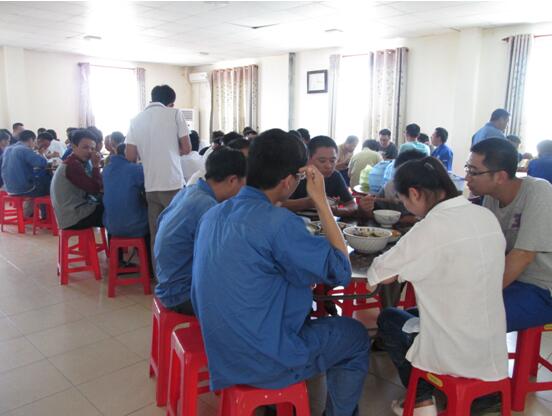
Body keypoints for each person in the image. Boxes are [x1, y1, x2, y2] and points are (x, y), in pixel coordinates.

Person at [191, 129, 370, 415]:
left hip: (220, 349)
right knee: (355, 335)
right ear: (288, 181)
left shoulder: (213, 214)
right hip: (262, 358)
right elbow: (340, 271)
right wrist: (321, 202)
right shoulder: (279, 223)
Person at [370, 156, 507, 416]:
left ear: (414, 193)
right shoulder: (485, 216)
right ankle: (485, 399)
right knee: (413, 313)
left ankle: (422, 403)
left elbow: (379, 273)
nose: (406, 207)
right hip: (490, 345)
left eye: (404, 200)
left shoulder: (430, 227)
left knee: (389, 319)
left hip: (455, 350)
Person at [466, 138, 552, 334]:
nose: (467, 177)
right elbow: (488, 248)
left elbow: (523, 255)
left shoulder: (539, 191)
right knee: (441, 311)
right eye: (467, 168)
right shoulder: (491, 198)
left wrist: (478, 294)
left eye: (474, 172)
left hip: (543, 289)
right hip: (514, 281)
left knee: (470, 318)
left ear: (500, 176)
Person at [155, 148, 246, 315]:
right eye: (244, 185)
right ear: (233, 180)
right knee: (255, 296)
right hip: (183, 295)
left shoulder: (191, 191)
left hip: (168, 284)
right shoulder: (208, 207)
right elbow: (221, 260)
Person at [125, 84, 191, 250]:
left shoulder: (135, 120)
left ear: (152, 99)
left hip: (151, 186)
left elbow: (130, 156)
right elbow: (187, 148)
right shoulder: (175, 114)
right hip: (172, 183)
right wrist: (171, 150)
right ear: (171, 103)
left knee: (156, 234)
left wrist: (147, 153)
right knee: (175, 231)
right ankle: (175, 267)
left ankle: (157, 267)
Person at [283, 136, 357, 217]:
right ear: (308, 158)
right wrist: (309, 202)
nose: (328, 166)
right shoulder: (296, 176)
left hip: (324, 222)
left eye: (332, 161)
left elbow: (352, 204)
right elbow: (278, 203)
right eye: (322, 161)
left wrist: (338, 211)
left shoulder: (335, 176)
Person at [50, 129, 103, 230]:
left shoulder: (76, 161)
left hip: (71, 213)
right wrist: (96, 165)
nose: (89, 151)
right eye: (85, 147)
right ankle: (119, 241)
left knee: (110, 208)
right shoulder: (72, 165)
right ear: (73, 146)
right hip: (73, 217)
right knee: (113, 212)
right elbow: (95, 189)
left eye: (92, 148)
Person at [102, 143, 148, 238]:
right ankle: (148, 247)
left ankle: (114, 248)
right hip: (136, 226)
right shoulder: (136, 169)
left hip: (111, 227)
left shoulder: (106, 170)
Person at [1, 130, 51, 200]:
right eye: (34, 141)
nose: (35, 144)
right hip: (24, 190)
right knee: (50, 183)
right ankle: (43, 207)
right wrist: (42, 153)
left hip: (9, 189)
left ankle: (31, 205)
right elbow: (43, 163)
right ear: (31, 140)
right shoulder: (24, 149)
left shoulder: (7, 149)